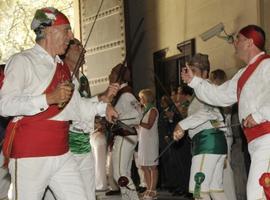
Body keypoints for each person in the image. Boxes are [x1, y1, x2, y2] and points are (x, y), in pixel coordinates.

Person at [0, 7, 118, 200]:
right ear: (49, 31)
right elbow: (5, 105)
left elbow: (77, 107)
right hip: (30, 156)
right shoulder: (22, 61)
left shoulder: (61, 66)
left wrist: (104, 108)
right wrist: (48, 98)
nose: (70, 37)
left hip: (62, 153)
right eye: (66, 30)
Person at [181, 25, 270, 200]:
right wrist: (195, 82)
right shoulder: (244, 73)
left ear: (250, 42)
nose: (234, 43)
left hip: (267, 139)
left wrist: (258, 115)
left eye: (238, 39)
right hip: (256, 142)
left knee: (258, 193)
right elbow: (220, 95)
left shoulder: (267, 65)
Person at [174, 53, 228, 200]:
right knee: (215, 189)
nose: (190, 75)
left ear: (205, 73)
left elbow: (208, 112)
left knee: (199, 190)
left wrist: (182, 125)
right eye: (188, 71)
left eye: (194, 72)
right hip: (214, 141)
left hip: (207, 141)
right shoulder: (202, 90)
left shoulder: (205, 88)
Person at [109, 64, 142, 200]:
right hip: (124, 135)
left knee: (120, 174)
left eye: (111, 72)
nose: (109, 76)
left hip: (125, 135)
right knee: (124, 173)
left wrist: (116, 118)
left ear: (117, 76)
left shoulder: (126, 94)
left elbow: (137, 115)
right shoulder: (122, 93)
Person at [210, 69, 237, 200]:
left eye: (211, 78)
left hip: (224, 135)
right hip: (223, 135)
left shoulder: (222, 95)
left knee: (225, 168)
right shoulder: (221, 94)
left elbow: (221, 117)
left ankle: (229, 196)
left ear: (216, 79)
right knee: (220, 170)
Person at [138, 89, 159, 200]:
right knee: (144, 165)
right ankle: (148, 189)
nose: (140, 100)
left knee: (152, 166)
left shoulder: (153, 110)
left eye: (141, 97)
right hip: (143, 140)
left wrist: (138, 122)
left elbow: (149, 125)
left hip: (151, 141)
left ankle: (153, 190)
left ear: (146, 98)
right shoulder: (144, 110)